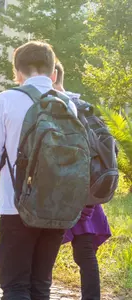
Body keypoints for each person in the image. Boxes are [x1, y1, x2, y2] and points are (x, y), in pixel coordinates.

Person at [0, 41, 79, 300]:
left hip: (17, 206)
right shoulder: (69, 105)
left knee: (15, 287)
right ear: (53, 73)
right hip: (57, 206)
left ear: (17, 73)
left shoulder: (6, 99)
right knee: (41, 285)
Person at [54, 61, 111, 300]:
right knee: (85, 254)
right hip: (87, 190)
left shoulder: (56, 107)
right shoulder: (83, 105)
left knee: (40, 254)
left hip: (60, 192)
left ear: (53, 74)